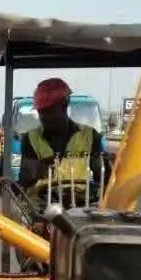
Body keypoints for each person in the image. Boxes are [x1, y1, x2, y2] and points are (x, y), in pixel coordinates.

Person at [18, 78, 111, 208]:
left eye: (50, 110)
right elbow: (24, 179)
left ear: (65, 104)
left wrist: (109, 167)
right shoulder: (31, 138)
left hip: (79, 207)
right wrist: (36, 172)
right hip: (42, 209)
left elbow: (102, 176)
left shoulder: (90, 136)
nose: (44, 116)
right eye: (41, 111)